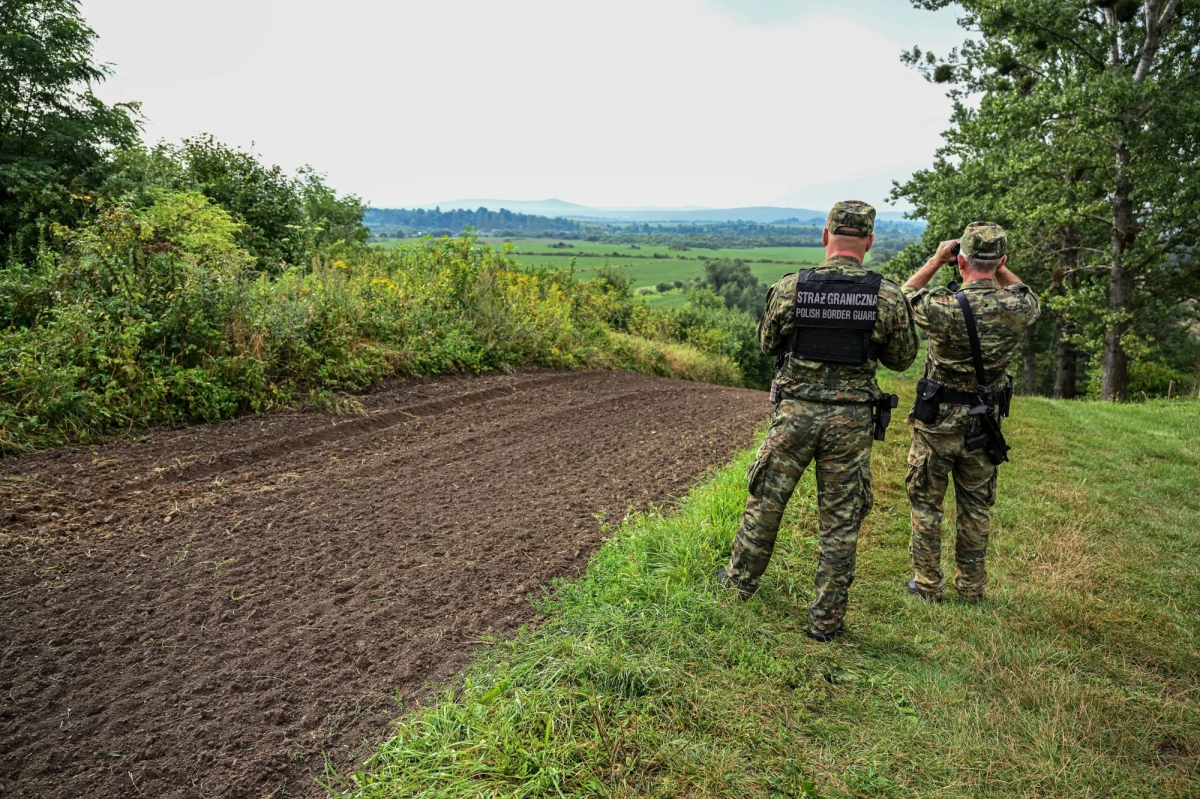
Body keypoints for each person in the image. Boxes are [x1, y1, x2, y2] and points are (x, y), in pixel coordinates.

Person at [716, 200, 918, 642]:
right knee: (841, 520)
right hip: (851, 422)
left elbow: (768, 343)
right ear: (869, 241)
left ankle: (736, 588)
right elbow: (902, 359)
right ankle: (825, 622)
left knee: (766, 501)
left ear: (825, 236)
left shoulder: (791, 288)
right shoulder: (885, 295)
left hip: (794, 416)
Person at [901, 222, 1040, 603]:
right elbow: (1028, 294)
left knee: (927, 503)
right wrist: (999, 268)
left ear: (960, 261)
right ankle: (971, 586)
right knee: (976, 507)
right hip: (984, 423)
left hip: (937, 422)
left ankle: (927, 584)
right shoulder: (1017, 307)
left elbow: (903, 297)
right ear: (1002, 262)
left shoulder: (941, 307)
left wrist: (934, 260)